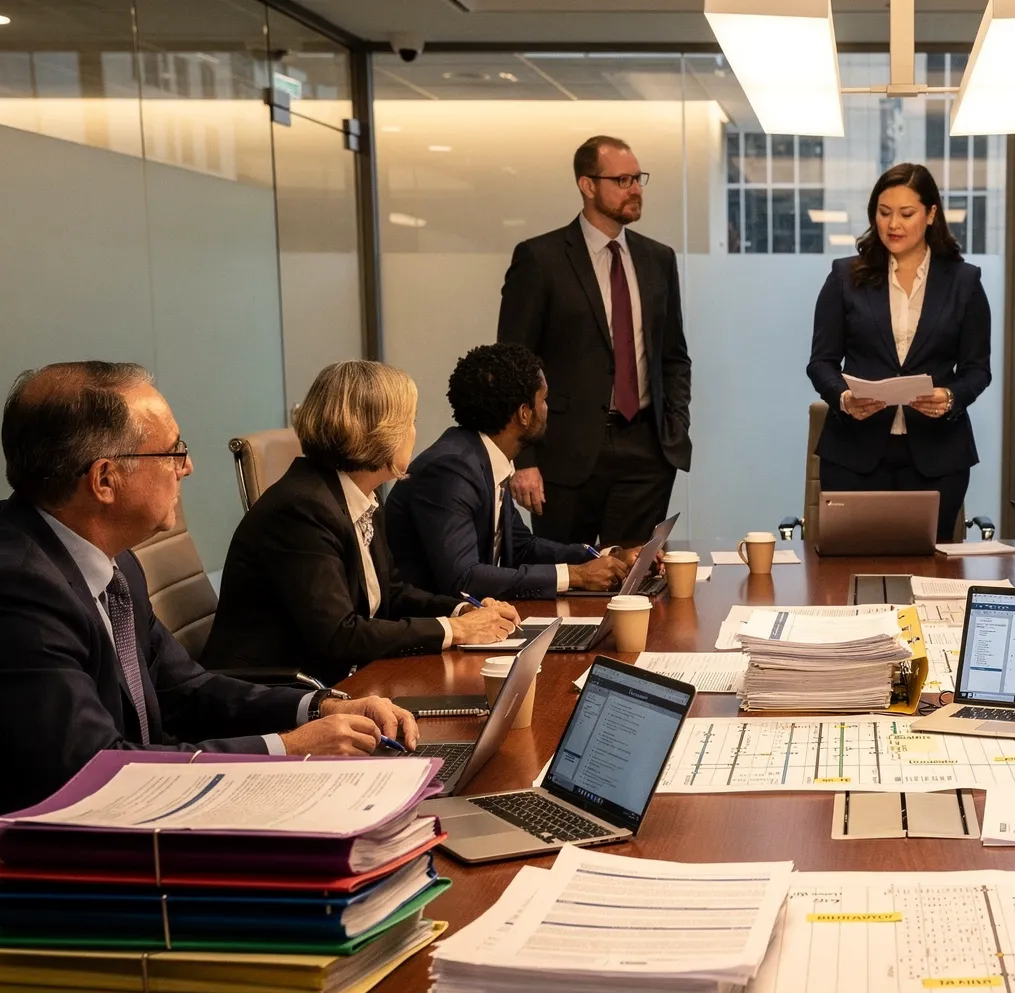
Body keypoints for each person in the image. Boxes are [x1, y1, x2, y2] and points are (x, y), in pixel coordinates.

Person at [0, 362, 417, 967]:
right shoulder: (7, 591)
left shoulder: (109, 562)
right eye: (173, 451)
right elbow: (98, 777)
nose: (188, 467)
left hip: (103, 853)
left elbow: (186, 690)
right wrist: (288, 747)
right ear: (104, 479)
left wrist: (321, 707)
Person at [203, 361, 520, 686]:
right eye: (409, 421)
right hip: (271, 695)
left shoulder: (360, 494)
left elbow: (390, 594)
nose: (414, 432)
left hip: (340, 678)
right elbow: (338, 635)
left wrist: (462, 611)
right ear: (380, 431)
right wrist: (455, 631)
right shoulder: (302, 509)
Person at [497, 134, 692, 546]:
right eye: (623, 180)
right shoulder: (541, 258)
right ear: (587, 185)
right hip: (565, 454)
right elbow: (512, 363)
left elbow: (673, 356)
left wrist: (674, 425)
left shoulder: (658, 258)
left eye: (638, 178)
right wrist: (522, 459)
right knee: (568, 583)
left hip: (647, 450)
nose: (636, 189)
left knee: (635, 584)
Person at [807, 162, 992, 543]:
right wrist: (843, 398)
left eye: (906, 214)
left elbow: (977, 369)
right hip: (854, 454)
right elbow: (821, 362)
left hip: (938, 456)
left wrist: (951, 396)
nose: (893, 224)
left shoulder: (964, 281)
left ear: (931, 215)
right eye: (884, 212)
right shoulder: (845, 277)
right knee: (849, 573)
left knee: (929, 572)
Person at [386, 343, 637, 600]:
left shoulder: (485, 457)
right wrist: (576, 576)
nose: (547, 408)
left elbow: (521, 547)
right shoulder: (451, 470)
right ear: (524, 414)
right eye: (543, 399)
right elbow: (464, 578)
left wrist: (610, 557)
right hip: (428, 628)